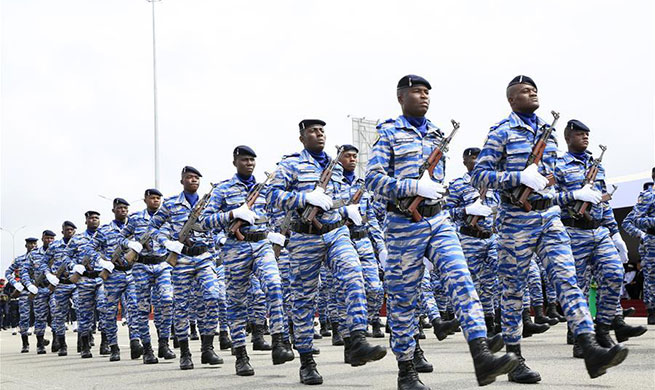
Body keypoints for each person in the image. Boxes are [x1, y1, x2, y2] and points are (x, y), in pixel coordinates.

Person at [471, 75, 628, 383]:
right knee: (514, 290)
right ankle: (514, 360)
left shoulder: (549, 132)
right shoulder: (501, 131)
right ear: (512, 100)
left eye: (534, 89)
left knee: (567, 279)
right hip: (515, 221)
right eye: (524, 91)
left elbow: (551, 180)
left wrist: (569, 193)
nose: (532, 93)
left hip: (550, 218)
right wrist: (518, 178)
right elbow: (480, 176)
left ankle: (590, 348)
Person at [366, 75, 516, 390]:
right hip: (402, 224)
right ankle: (406, 370)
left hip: (438, 221)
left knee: (462, 280)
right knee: (404, 301)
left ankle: (482, 355)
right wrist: (411, 186)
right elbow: (373, 181)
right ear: (400, 97)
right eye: (417, 92)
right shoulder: (389, 133)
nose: (424, 97)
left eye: (427, 93)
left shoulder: (436, 133)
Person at [268, 119, 387, 385]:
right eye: (312, 131)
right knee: (303, 300)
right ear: (302, 137)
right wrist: (303, 198)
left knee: (354, 276)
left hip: (336, 232)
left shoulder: (334, 166)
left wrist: (346, 210)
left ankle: (356, 338)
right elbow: (271, 197)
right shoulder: (291, 165)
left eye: (322, 130)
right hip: (304, 238)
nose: (319, 134)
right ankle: (307, 361)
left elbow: (338, 199)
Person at [200, 145, 294, 376]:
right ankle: (241, 355)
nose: (249, 163)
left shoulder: (265, 188)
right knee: (236, 302)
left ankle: (280, 342)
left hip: (262, 244)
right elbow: (204, 221)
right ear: (235, 162)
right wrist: (231, 215)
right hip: (235, 248)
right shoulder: (223, 190)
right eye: (244, 160)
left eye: (252, 160)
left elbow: (277, 213)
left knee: (274, 285)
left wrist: (277, 232)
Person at [148, 166, 222, 370]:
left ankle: (207, 349)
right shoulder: (171, 204)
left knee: (212, 297)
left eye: (197, 177)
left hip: (204, 257)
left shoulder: (209, 204)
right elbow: (152, 227)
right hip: (181, 260)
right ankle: (185, 353)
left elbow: (216, 227)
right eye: (189, 177)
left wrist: (217, 247)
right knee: (181, 306)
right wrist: (167, 243)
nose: (193, 180)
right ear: (182, 181)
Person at [120, 188, 176, 363]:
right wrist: (131, 243)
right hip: (141, 266)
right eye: (152, 198)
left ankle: (164, 343)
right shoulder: (136, 218)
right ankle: (147, 349)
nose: (156, 201)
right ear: (145, 200)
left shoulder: (167, 217)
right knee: (142, 309)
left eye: (158, 198)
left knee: (167, 301)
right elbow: (120, 238)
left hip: (162, 264)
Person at [91, 198, 143, 361]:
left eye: (125, 208)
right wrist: (101, 262)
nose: (123, 210)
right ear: (113, 210)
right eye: (120, 208)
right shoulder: (105, 230)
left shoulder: (134, 228)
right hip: (113, 275)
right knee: (110, 312)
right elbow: (89, 248)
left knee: (134, 307)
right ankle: (113, 346)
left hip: (132, 273)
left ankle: (135, 342)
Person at [20, 230, 57, 353]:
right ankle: (40, 343)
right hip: (40, 288)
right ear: (42, 239)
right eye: (47, 238)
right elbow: (24, 270)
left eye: (52, 238)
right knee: (40, 316)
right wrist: (29, 284)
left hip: (55, 288)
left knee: (56, 313)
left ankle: (57, 341)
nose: (49, 241)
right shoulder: (34, 254)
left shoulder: (59, 252)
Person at [5, 237, 38, 352]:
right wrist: (15, 284)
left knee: (40, 316)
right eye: (30, 244)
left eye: (34, 243)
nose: (33, 246)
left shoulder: (42, 258)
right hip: (24, 291)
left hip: (39, 290)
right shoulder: (20, 259)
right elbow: (8, 273)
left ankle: (40, 342)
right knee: (24, 316)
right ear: (26, 246)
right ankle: (25, 343)